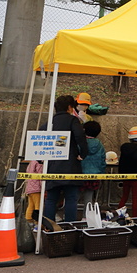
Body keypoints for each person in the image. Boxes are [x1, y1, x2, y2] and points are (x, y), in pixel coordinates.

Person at [42, 95, 88, 223]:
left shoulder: (49, 122)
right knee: (71, 198)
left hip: (52, 166)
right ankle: (70, 227)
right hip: (70, 166)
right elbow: (80, 136)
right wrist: (83, 153)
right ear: (69, 107)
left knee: (51, 199)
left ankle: (49, 226)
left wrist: (41, 158)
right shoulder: (72, 121)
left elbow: (39, 136)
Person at [117, 126, 137, 217]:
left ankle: (119, 214)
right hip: (136, 177)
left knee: (124, 196)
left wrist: (121, 175)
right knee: (135, 198)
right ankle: (135, 216)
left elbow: (121, 162)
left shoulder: (124, 148)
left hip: (125, 176)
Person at [79, 120, 105, 210]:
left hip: (79, 174)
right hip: (94, 175)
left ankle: (70, 217)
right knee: (89, 198)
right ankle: (86, 217)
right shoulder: (100, 144)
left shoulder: (80, 143)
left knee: (73, 197)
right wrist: (102, 174)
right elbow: (103, 160)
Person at [24, 159, 43, 226]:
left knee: (30, 205)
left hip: (29, 188)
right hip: (37, 189)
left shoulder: (31, 163)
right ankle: (37, 222)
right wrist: (43, 187)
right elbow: (41, 176)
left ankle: (28, 220)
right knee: (38, 206)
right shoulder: (39, 164)